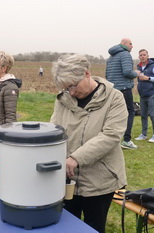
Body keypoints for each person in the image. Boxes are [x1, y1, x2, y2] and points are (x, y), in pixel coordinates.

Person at [50, 54, 127, 233]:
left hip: (99, 180)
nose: (72, 92)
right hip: (68, 179)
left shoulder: (114, 98)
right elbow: (55, 130)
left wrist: (76, 157)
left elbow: (111, 135)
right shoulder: (63, 99)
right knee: (67, 225)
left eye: (73, 85)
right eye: (66, 88)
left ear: (86, 73)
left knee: (94, 226)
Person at [106, 38, 141, 149]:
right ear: (124, 44)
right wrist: (136, 73)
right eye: (130, 44)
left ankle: (110, 140)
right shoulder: (125, 54)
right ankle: (126, 140)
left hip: (112, 89)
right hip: (124, 89)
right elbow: (127, 72)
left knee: (114, 114)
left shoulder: (111, 56)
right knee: (129, 112)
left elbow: (107, 74)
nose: (132, 46)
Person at [135, 49, 154, 143]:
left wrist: (149, 78)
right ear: (139, 57)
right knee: (143, 115)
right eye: (141, 55)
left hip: (152, 93)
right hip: (143, 95)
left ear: (148, 56)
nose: (142, 56)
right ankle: (144, 134)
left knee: (152, 114)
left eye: (144, 55)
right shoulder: (138, 67)